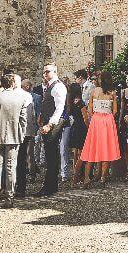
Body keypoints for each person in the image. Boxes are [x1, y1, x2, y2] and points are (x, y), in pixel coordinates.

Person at [0, 72, 29, 210]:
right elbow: (23, 121)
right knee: (11, 167)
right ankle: (10, 198)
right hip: (13, 137)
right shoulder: (20, 99)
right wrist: (20, 136)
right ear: (13, 83)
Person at [79, 70, 121, 185]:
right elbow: (115, 111)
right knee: (106, 147)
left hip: (96, 120)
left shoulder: (94, 91)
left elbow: (89, 109)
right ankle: (103, 177)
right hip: (108, 120)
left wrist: (94, 118)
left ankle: (87, 178)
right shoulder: (112, 92)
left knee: (92, 147)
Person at [35, 63, 68, 197]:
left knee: (51, 155)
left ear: (55, 72)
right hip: (48, 121)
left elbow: (60, 108)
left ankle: (49, 186)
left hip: (53, 123)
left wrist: (50, 124)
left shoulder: (58, 86)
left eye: (47, 72)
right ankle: (51, 185)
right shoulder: (50, 86)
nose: (45, 74)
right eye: (44, 72)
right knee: (50, 154)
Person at [15, 79, 38, 199]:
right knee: (22, 160)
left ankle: (14, 187)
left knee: (16, 161)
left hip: (17, 133)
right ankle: (20, 188)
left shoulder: (16, 95)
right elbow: (32, 116)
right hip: (26, 132)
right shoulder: (28, 96)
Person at [67, 82, 88, 186]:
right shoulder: (81, 103)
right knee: (82, 154)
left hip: (74, 127)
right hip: (81, 128)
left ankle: (77, 175)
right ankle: (76, 177)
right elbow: (85, 119)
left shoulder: (70, 102)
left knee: (76, 153)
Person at [59, 76, 73, 185]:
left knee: (64, 147)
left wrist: (63, 118)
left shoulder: (67, 95)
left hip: (64, 122)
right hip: (54, 122)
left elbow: (68, 108)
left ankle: (64, 173)